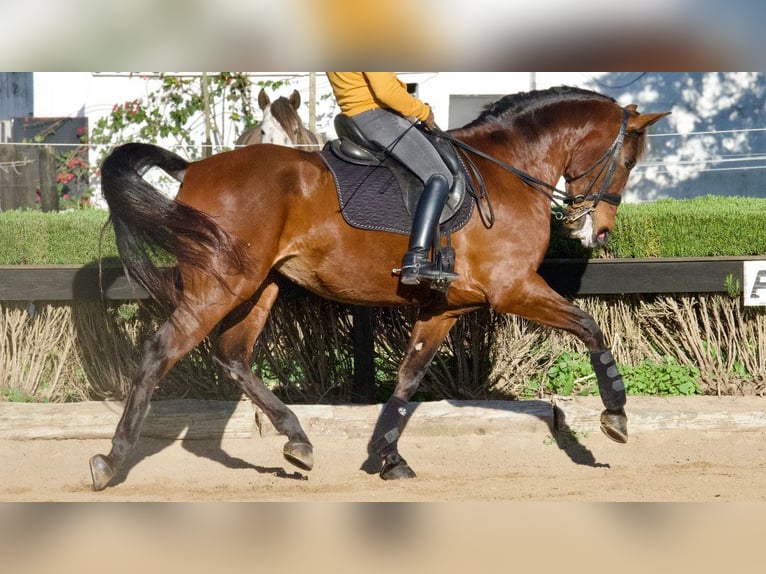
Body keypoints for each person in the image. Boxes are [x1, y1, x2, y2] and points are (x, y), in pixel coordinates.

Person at [326, 72, 458, 286]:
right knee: (439, 175)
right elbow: (385, 91)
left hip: (353, 115)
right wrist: (423, 111)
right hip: (376, 117)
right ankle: (416, 258)